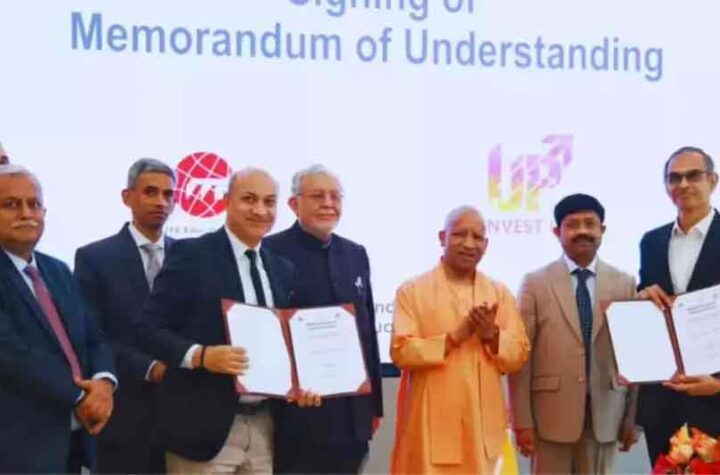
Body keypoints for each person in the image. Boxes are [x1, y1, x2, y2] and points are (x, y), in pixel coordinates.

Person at [135, 168, 319, 474]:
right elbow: (148, 330)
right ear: (226, 201)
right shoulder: (192, 254)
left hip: (264, 426)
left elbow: (283, 343)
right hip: (202, 429)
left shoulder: (281, 268)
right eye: (249, 199)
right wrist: (201, 356)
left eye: (269, 202)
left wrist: (300, 383)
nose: (260, 210)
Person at [389, 206, 529, 474]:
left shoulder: (499, 293)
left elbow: (518, 355)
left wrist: (492, 336)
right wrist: (455, 338)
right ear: (442, 237)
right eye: (459, 234)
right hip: (432, 423)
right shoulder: (413, 291)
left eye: (477, 237)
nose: (469, 244)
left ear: (486, 245)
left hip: (484, 425)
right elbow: (401, 351)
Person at [263, 164, 383, 474]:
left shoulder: (355, 254)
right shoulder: (269, 251)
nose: (328, 204)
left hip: (351, 415)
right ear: (294, 204)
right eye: (318, 196)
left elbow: (367, 331)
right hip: (296, 415)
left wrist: (374, 406)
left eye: (335, 196)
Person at [508, 193, 639, 474]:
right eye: (572, 224)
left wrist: (633, 419)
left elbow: (634, 358)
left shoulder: (625, 284)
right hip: (549, 418)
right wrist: (521, 421)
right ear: (557, 232)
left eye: (590, 224)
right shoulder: (535, 283)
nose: (582, 231)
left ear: (602, 230)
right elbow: (521, 357)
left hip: (606, 416)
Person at [0, 164, 116, 473]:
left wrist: (104, 382)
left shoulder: (58, 270)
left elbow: (93, 337)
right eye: (11, 204)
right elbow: (10, 353)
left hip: (76, 440)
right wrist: (80, 396)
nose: (26, 213)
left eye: (34, 204)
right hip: (17, 448)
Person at [74, 158, 176, 473]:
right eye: (150, 192)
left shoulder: (190, 256)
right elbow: (93, 334)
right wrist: (149, 368)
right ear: (127, 197)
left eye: (168, 194)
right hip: (124, 415)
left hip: (182, 419)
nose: (161, 202)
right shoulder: (95, 257)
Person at [636, 146, 720, 463]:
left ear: (713, 181)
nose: (683, 184)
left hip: (714, 396)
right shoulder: (651, 242)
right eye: (674, 178)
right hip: (663, 399)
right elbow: (648, 302)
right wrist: (643, 295)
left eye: (693, 175)